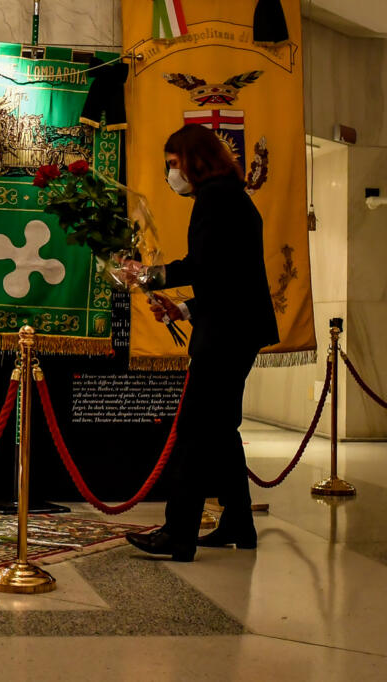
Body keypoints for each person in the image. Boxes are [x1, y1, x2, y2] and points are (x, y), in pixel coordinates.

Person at [123, 124, 280, 562]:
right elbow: (226, 276)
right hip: (237, 327)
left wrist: (148, 275)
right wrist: (186, 311)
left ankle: (179, 532)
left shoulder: (215, 200)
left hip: (227, 334)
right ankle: (238, 523)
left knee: (194, 428)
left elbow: (201, 265)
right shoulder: (233, 197)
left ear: (195, 160)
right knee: (222, 427)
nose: (171, 174)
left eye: (174, 164)